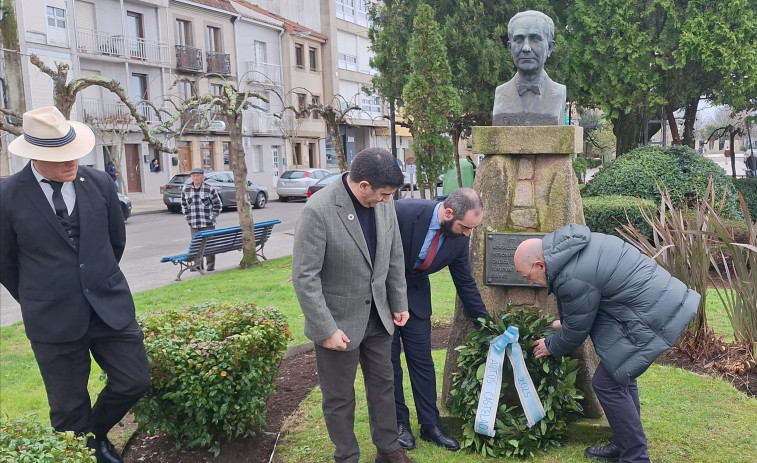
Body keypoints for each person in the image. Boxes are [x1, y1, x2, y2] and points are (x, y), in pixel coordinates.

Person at [0, 106, 152, 463]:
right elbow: (5, 262)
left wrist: (96, 279)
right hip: (51, 317)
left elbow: (115, 242)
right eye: (61, 157)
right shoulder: (7, 195)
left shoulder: (98, 183)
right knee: (67, 409)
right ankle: (86, 451)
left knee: (135, 381)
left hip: (109, 307)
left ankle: (93, 439)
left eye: (75, 153)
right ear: (36, 156)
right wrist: (39, 295)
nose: (73, 162)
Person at [513, 224, 700, 463]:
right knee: (619, 373)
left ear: (540, 265)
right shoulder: (569, 250)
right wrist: (568, 321)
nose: (529, 282)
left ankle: (635, 457)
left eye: (528, 277)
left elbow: (576, 333)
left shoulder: (570, 275)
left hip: (651, 314)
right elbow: (589, 299)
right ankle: (624, 445)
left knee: (606, 384)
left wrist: (551, 345)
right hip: (657, 303)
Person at [292, 148, 414, 463]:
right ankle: (346, 456)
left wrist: (398, 301)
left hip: (379, 317)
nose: (388, 201)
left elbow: (394, 254)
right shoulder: (318, 210)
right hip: (338, 324)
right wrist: (325, 329)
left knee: (384, 386)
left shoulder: (385, 204)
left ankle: (388, 449)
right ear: (363, 186)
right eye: (384, 194)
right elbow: (305, 278)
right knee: (339, 398)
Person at [392, 188, 488, 451]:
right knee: (389, 365)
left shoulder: (459, 236)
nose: (468, 234)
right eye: (465, 227)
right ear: (448, 213)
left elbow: (465, 281)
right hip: (383, 296)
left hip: (416, 301)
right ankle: (398, 424)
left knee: (422, 362)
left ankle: (429, 425)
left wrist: (487, 324)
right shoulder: (402, 211)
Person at [492, 10, 566, 126]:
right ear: (510, 47)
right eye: (518, 39)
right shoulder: (501, 94)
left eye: (535, 39)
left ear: (550, 47)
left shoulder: (558, 93)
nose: (526, 48)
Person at [180, 167, 222, 272]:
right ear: (191, 177)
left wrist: (212, 217)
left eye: (198, 176)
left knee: (210, 245)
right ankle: (198, 265)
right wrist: (187, 217)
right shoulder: (186, 189)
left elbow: (218, 204)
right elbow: (184, 205)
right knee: (196, 245)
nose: (196, 178)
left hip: (207, 223)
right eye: (194, 176)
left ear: (202, 177)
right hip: (193, 223)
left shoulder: (209, 188)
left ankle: (210, 265)